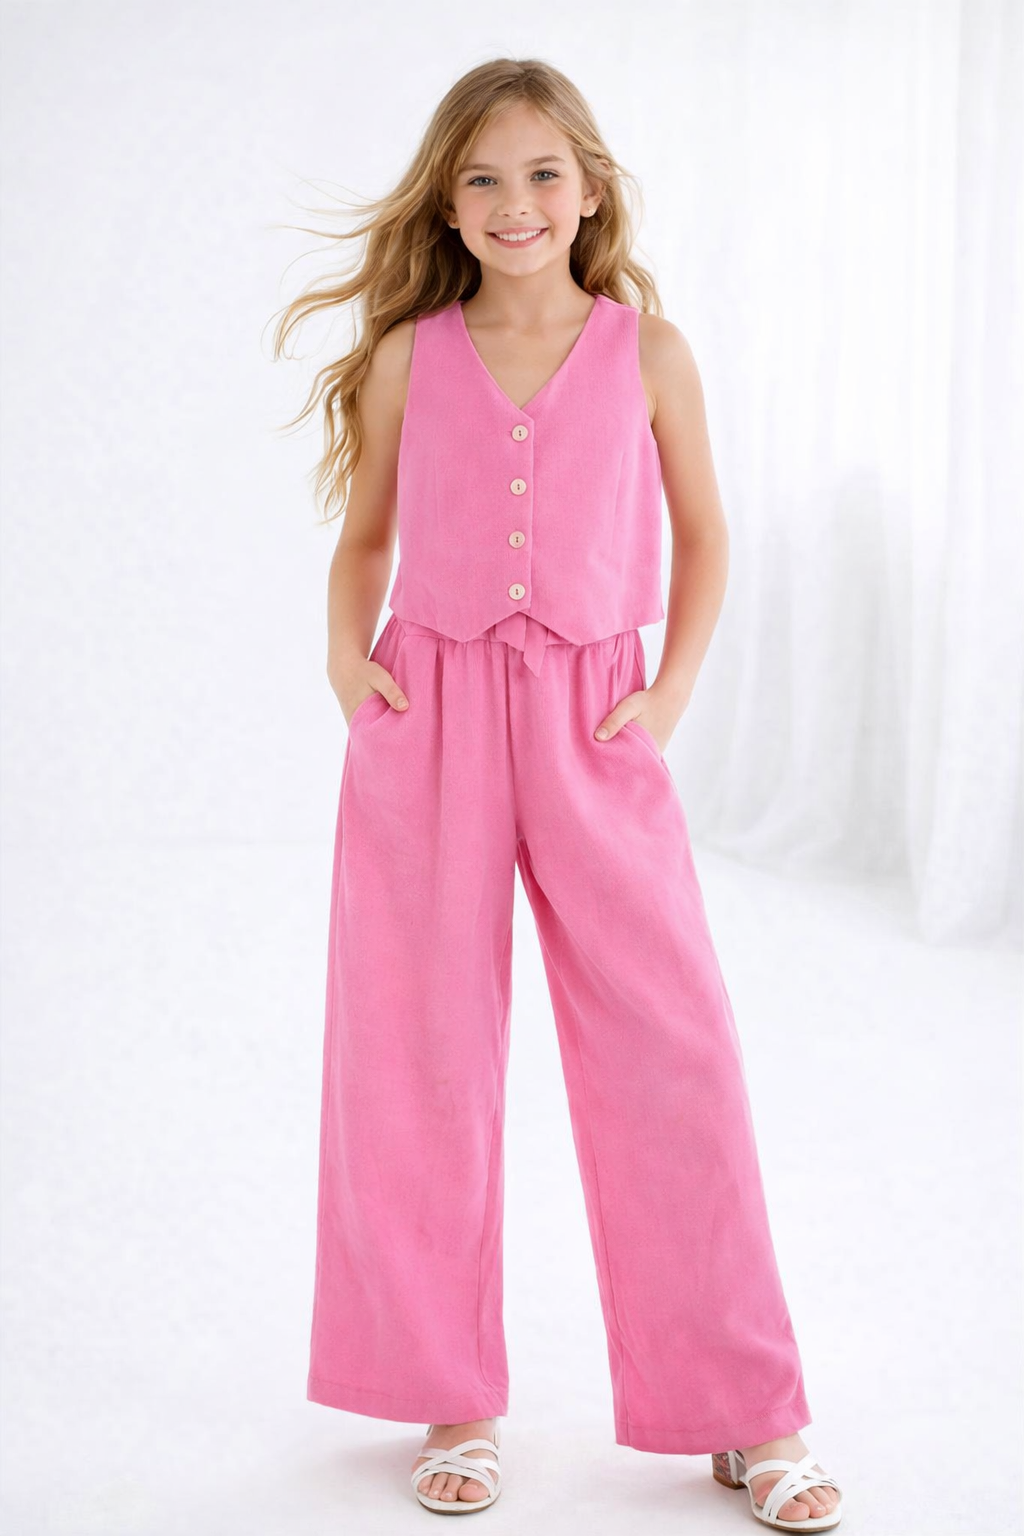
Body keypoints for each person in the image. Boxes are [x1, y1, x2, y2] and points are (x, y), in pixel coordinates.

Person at [273, 56, 844, 1530]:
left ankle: (746, 1410)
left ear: (590, 190)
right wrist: (350, 667)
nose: (513, 201)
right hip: (430, 720)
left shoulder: (650, 352)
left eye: (541, 173)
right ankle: (450, 1393)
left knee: (674, 1050)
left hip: (596, 720)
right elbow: (364, 538)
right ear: (447, 204)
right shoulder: (410, 356)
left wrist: (668, 695)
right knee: (418, 1057)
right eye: (481, 178)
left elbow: (705, 536)